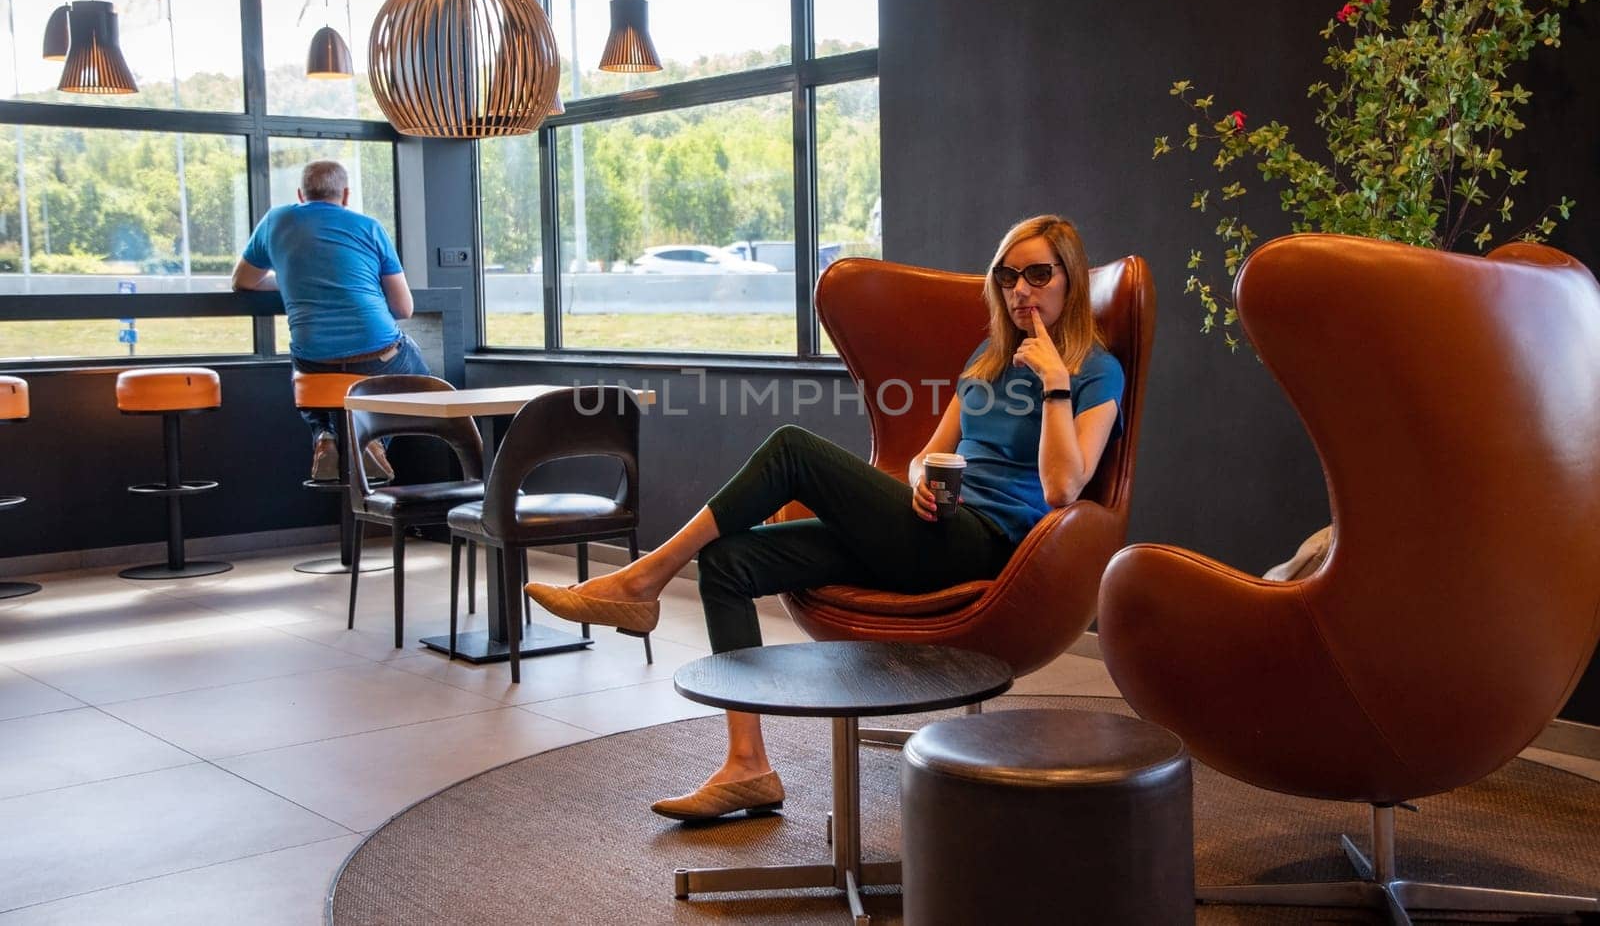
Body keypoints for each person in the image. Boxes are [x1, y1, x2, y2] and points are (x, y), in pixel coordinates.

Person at [526, 214, 1125, 821]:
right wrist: (920, 483)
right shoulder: (985, 360)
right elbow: (926, 455)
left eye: (1038, 274)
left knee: (792, 448)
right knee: (728, 561)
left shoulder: (1097, 370)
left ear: (1069, 281)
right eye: (1006, 275)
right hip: (932, 528)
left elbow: (1062, 488)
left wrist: (1054, 382)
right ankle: (747, 765)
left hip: (992, 547)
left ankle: (642, 580)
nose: (1020, 289)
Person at [231, 160, 426, 481]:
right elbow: (404, 308)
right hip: (377, 356)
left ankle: (325, 436)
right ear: (346, 195)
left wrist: (294, 279)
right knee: (419, 376)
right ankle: (372, 440)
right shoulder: (369, 227)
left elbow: (243, 281)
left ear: (300, 194)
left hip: (315, 358)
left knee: (305, 373)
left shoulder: (276, 221)